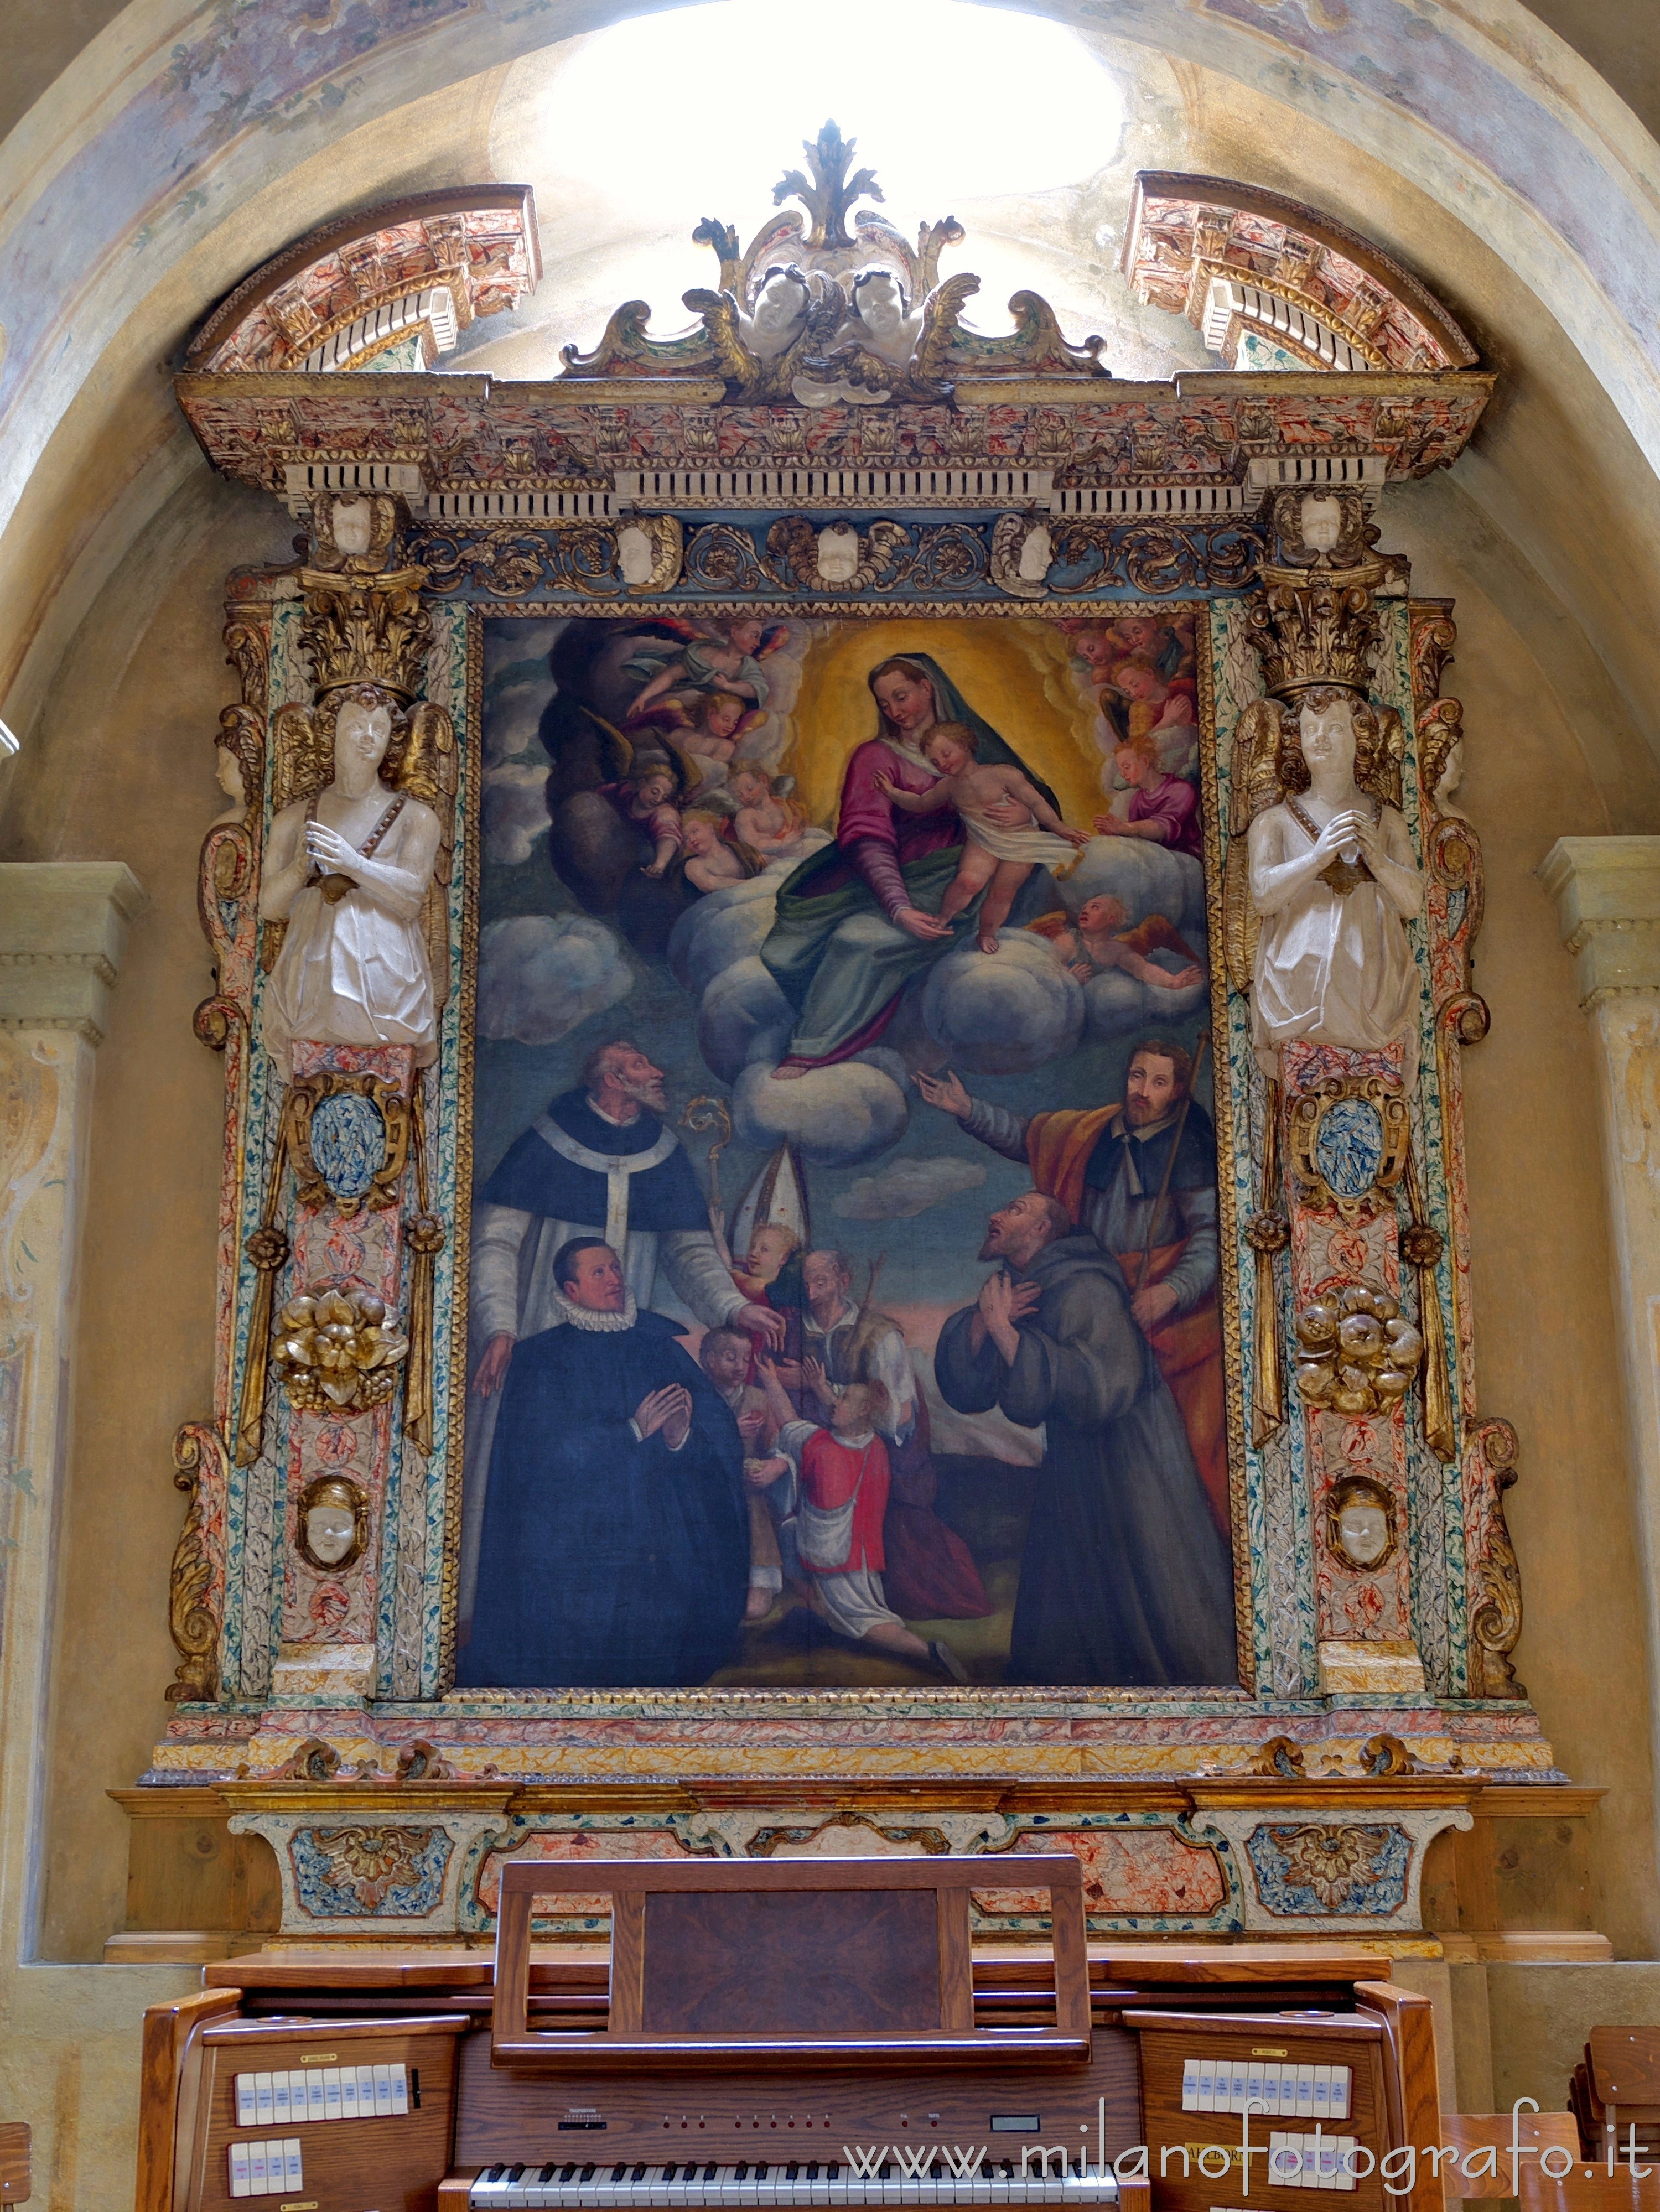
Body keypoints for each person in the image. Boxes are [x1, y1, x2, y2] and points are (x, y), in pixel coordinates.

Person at [460, 1040, 784, 1640]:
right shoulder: (549, 1138)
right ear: (611, 1079)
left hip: (624, 1343)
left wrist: (736, 1306)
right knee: (540, 1466)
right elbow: (496, 1241)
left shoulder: (660, 1152)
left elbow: (689, 1252)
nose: (658, 1071)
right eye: (640, 1065)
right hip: (541, 1331)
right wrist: (500, 1325)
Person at [917, 1037, 1228, 1535]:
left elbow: (1213, 1235)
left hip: (1165, 1315)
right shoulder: (1098, 1131)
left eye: (1158, 1081)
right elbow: (1031, 1138)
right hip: (1087, 1299)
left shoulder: (1188, 1144)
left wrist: (1172, 1291)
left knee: (1178, 1456)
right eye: (1136, 1076)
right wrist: (969, 1110)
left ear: (1178, 1091)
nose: (1142, 1091)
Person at [934, 1191, 1236, 1685]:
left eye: (1014, 1210)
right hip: (1077, 1465)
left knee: (1148, 1592)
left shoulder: (1086, 1286)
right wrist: (981, 1326)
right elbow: (970, 1388)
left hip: (1131, 1469)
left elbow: (1105, 1386)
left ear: (1040, 1231)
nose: (995, 1213)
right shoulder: (1029, 1287)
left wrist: (1002, 1330)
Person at [455, 1239, 749, 1688]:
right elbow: (540, 1458)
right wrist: (631, 1431)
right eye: (599, 1273)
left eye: (615, 1268)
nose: (615, 1279)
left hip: (653, 1543)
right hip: (574, 1542)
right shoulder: (540, 1360)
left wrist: (680, 1437)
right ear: (571, 1290)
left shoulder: (660, 1349)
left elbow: (720, 1437)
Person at [761, 654, 1056, 1076]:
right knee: (781, 951)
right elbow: (867, 835)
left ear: (928, 688)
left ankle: (810, 1052)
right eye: (884, 704)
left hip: (961, 876)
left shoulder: (971, 747)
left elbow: (1029, 793)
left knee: (858, 941)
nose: (895, 711)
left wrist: (1024, 817)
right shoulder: (875, 757)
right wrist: (898, 905)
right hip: (887, 878)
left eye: (901, 696)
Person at [797, 1247, 989, 1619]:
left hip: (883, 1446)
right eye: (806, 1283)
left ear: (843, 1280)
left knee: (909, 1559)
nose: (811, 1293)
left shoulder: (879, 1336)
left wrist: (828, 1395)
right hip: (826, 1445)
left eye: (820, 1282)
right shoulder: (797, 1329)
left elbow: (899, 1416)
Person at [258, 684, 443, 1067]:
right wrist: (298, 870)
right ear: (331, 737)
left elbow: (411, 898)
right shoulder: (292, 819)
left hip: (386, 979)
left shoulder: (416, 818)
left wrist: (353, 864)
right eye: (356, 727)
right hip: (311, 974)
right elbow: (270, 908)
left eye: (379, 728)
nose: (369, 738)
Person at [1247, 684, 1423, 1083]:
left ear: (1358, 739)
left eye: (1335, 729)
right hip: (1300, 992)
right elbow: (1262, 897)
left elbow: (1413, 903)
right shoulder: (1274, 821)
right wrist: (1316, 857)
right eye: (1311, 730)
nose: (1321, 739)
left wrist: (1378, 860)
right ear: (1299, 743)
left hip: (1375, 987)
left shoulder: (1387, 820)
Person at [747, 1369, 969, 1681]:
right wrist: (825, 1392)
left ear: (864, 1410)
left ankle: (927, 1652)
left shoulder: (822, 1447)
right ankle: (818, 1612)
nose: (835, 1403)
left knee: (863, 1623)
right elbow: (839, 1422)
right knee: (788, 1532)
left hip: (835, 1558)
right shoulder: (874, 1445)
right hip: (863, 1556)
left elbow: (789, 1423)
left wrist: (770, 1380)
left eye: (844, 1399)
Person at [875, 721, 1088, 954]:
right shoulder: (948, 787)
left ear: (964, 746)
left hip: (1022, 842)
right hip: (983, 842)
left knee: (1003, 891)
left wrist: (1058, 827)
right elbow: (920, 803)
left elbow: (1036, 802)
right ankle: (943, 917)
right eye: (936, 762)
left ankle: (986, 933)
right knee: (968, 882)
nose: (943, 764)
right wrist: (891, 792)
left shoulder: (1003, 774)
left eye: (946, 755)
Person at [698, 1326, 781, 1621]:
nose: (740, 1367)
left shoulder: (758, 1399)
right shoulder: (695, 1398)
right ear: (709, 1359)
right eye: (730, 1358)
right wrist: (730, 1433)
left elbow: (776, 1448)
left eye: (745, 1360)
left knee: (754, 1608)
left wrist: (775, 1466)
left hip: (750, 1505)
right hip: (707, 1502)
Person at [1025, 894, 1204, 990]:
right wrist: (1070, 979)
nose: (1085, 911)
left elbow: (1143, 969)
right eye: (1084, 908)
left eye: (1095, 907)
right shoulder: (1069, 941)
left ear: (1111, 918)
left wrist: (1173, 982)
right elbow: (1046, 974)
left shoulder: (1117, 950)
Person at [1093, 734, 1202, 860]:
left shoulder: (1182, 790)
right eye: (1120, 769)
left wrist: (1124, 828)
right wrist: (1115, 833)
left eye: (1127, 767)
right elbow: (1138, 840)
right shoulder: (1137, 800)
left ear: (1145, 761)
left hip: (1187, 859)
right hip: (1155, 859)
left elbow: (1163, 828)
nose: (1123, 774)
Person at [679, 807, 756, 892]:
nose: (692, 839)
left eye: (695, 832)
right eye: (686, 838)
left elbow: (762, 861)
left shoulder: (736, 849)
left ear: (710, 828)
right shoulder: (693, 865)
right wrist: (757, 884)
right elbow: (713, 884)